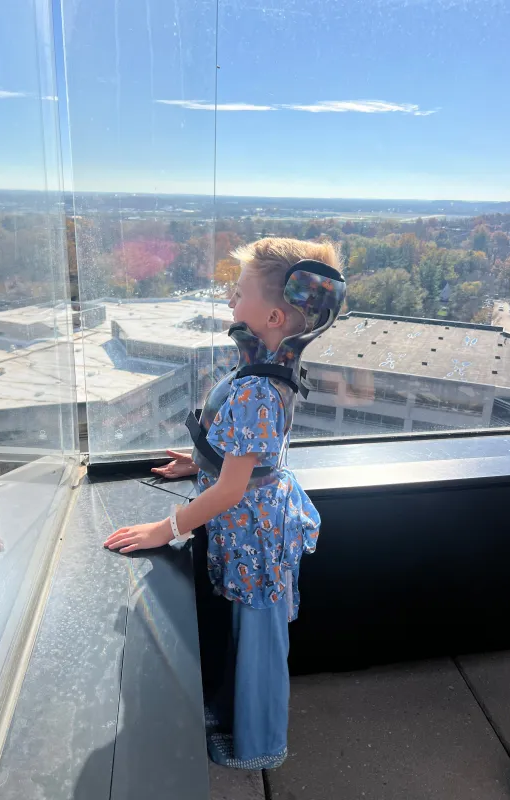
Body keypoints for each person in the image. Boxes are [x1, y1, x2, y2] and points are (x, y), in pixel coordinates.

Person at [104, 237, 345, 769]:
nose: (232, 304)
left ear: (275, 315)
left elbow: (235, 488)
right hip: (256, 523)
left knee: (259, 641)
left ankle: (258, 746)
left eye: (239, 294)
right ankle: (234, 716)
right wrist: (201, 460)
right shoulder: (264, 370)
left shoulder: (257, 387)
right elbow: (252, 453)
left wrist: (164, 528)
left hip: (253, 533)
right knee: (247, 633)